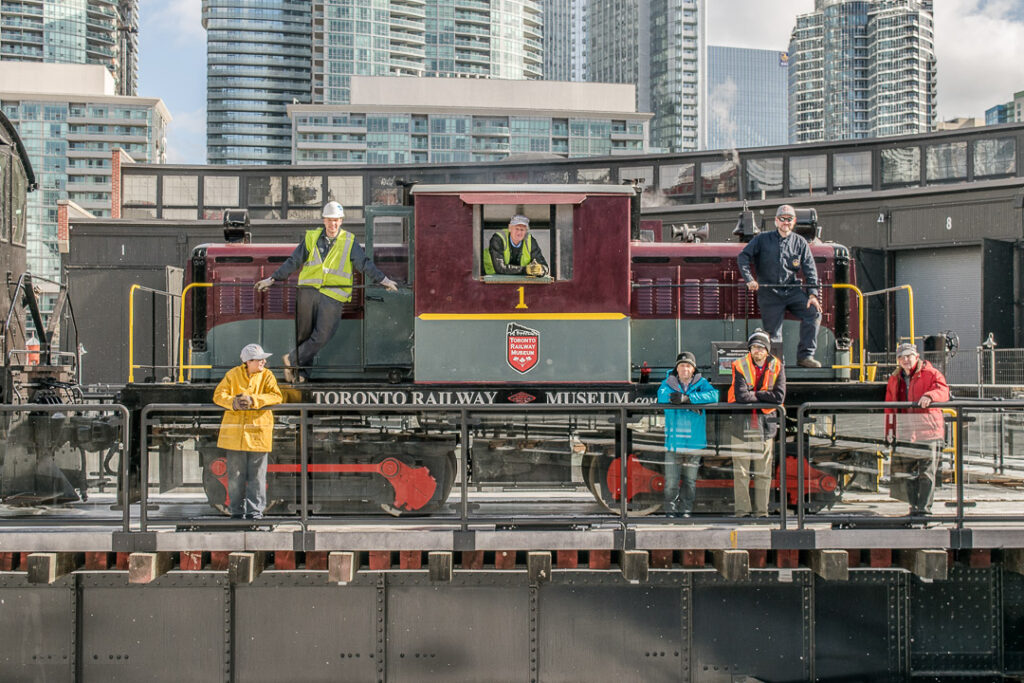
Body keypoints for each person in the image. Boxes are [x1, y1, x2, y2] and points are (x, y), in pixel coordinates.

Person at [255, 201, 398, 381]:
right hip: (307, 292)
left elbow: (364, 264)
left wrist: (383, 280)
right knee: (304, 334)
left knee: (323, 335)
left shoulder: (349, 240)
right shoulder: (311, 238)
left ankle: (292, 358)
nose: (333, 224)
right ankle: (301, 373)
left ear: (341, 221)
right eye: (330, 220)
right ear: (324, 220)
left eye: (337, 220)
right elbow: (293, 261)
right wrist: (273, 279)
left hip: (333, 294)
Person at [737, 204, 823, 368]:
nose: (786, 222)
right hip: (769, 292)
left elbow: (810, 269)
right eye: (782, 219)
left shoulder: (800, 243)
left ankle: (805, 357)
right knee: (773, 333)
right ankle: (777, 365)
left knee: (813, 313)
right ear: (776, 221)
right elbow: (743, 257)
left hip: (792, 290)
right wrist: (749, 279)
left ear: (794, 221)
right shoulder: (762, 239)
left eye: (789, 219)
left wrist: (812, 295)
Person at [212, 343, 284, 520]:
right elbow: (219, 395)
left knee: (257, 478)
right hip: (236, 436)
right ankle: (237, 512)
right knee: (236, 477)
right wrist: (234, 402)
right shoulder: (232, 375)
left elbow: (276, 396)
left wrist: (253, 400)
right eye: (260, 359)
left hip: (256, 435)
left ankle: (254, 513)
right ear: (249, 361)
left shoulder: (267, 376)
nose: (264, 362)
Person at [884, 342, 949, 517]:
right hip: (906, 431)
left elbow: (943, 391)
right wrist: (890, 432)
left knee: (926, 473)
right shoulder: (894, 379)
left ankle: (924, 509)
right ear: (898, 360)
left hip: (927, 431)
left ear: (916, 356)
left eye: (908, 356)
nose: (905, 360)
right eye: (901, 357)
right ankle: (914, 508)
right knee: (907, 473)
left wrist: (930, 396)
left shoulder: (931, 374)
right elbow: (890, 407)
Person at [727, 329, 786, 518]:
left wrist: (756, 393)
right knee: (741, 472)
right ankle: (742, 512)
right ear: (750, 349)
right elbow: (741, 396)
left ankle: (762, 512)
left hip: (765, 427)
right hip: (741, 426)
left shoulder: (777, 366)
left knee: (763, 472)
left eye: (761, 347)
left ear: (767, 350)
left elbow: (779, 396)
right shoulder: (740, 365)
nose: (757, 350)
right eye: (754, 347)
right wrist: (763, 396)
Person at [657, 351, 719, 517]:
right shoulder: (667, 384)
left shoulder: (702, 383)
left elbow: (714, 395)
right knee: (671, 482)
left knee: (690, 481)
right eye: (682, 365)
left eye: (688, 366)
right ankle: (670, 511)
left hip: (694, 442)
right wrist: (682, 399)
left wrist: (687, 399)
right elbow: (661, 397)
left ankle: (685, 510)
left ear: (693, 369)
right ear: (677, 369)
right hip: (674, 442)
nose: (685, 368)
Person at [483, 214, 549, 277]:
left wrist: (541, 270)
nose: (519, 232)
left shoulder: (530, 241)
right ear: (510, 228)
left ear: (526, 231)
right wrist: (526, 270)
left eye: (522, 229)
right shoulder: (498, 239)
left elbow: (544, 266)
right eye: (517, 229)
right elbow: (500, 268)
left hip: (519, 280)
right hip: (490, 278)